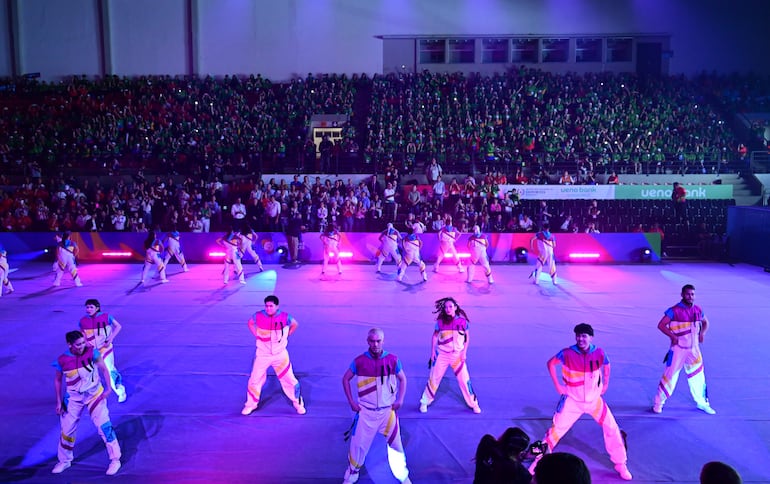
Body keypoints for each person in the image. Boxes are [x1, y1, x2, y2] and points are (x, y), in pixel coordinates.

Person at [531, 324, 632, 481]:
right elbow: (550, 363)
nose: (580, 339)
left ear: (590, 337)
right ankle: (538, 460)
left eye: (584, 335)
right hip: (573, 401)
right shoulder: (567, 353)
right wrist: (558, 385)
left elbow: (607, 364)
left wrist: (606, 383)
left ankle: (621, 463)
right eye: (578, 335)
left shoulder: (598, 352)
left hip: (594, 401)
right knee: (554, 432)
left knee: (612, 428)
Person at [342, 328, 410, 484]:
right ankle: (352, 473)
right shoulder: (359, 361)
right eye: (372, 341)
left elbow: (403, 379)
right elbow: (345, 379)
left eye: (378, 341)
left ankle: (402, 475)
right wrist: (351, 402)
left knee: (396, 445)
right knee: (358, 445)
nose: (375, 344)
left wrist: (401, 399)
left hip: (388, 412)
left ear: (383, 341)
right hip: (366, 413)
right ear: (368, 341)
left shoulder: (393, 360)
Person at [52, 330, 122, 475]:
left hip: (95, 395)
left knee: (105, 427)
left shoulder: (93, 353)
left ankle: (115, 460)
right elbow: (58, 380)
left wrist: (108, 388)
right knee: (67, 430)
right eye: (78, 344)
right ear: (69, 344)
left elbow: (104, 369)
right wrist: (59, 401)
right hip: (73, 398)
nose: (82, 346)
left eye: (83, 342)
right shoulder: (62, 360)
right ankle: (64, 461)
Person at [652, 284, 716, 415]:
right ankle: (659, 403)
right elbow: (661, 325)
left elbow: (706, 322)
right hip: (678, 349)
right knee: (670, 376)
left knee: (698, 376)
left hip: (694, 350)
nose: (690, 297)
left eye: (692, 294)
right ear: (682, 295)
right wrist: (672, 336)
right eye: (688, 294)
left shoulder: (698, 309)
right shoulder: (673, 311)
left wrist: (702, 333)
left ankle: (702, 403)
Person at [242, 295, 306, 416]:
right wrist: (257, 335)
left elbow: (295, 324)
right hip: (263, 355)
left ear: (277, 306)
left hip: (280, 355)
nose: (268, 308)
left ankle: (297, 402)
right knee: (254, 380)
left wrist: (286, 336)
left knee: (290, 380)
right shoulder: (258, 316)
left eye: (271, 306)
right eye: (266, 306)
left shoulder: (285, 317)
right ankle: (250, 405)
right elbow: (250, 323)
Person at [419, 297, 481, 414]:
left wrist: (464, 353)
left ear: (455, 308)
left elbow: (467, 339)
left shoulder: (463, 322)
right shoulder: (440, 322)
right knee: (434, 378)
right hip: (442, 355)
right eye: (446, 307)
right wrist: (432, 352)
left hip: (457, 356)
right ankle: (424, 401)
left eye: (450, 307)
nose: (448, 309)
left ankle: (473, 404)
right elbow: (434, 336)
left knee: (464, 380)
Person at [79, 299, 127, 403]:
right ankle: (89, 394)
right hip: (92, 351)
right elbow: (82, 333)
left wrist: (111, 338)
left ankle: (120, 390)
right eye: (87, 307)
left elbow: (118, 326)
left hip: (105, 349)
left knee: (109, 370)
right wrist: (85, 342)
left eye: (91, 307)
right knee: (88, 371)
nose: (88, 309)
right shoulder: (83, 320)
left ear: (97, 308)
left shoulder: (106, 317)